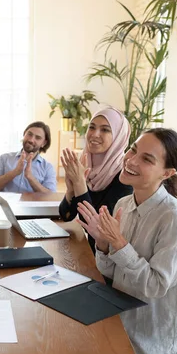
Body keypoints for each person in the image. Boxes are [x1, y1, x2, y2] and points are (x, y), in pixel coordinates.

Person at [24, 128, 177, 354]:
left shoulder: (176, 219)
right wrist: (105, 246)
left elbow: (154, 287)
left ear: (167, 173)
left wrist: (119, 244)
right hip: (119, 313)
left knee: (61, 345)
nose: (131, 160)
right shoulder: (124, 205)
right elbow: (111, 272)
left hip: (150, 340)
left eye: (147, 159)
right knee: (49, 317)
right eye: (133, 150)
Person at [59, 107, 133, 252]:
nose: (95, 134)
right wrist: (70, 191)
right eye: (91, 127)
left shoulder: (125, 175)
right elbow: (66, 215)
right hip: (90, 251)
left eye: (105, 130)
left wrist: (80, 183)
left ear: (119, 136)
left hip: (109, 258)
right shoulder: (86, 164)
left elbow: (97, 228)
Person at [0, 121, 57, 193]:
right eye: (29, 134)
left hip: (32, 205)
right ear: (24, 134)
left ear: (43, 143)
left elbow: (50, 196)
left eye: (37, 138)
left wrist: (30, 178)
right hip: (6, 204)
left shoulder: (48, 168)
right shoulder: (4, 158)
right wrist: (14, 172)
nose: (31, 140)